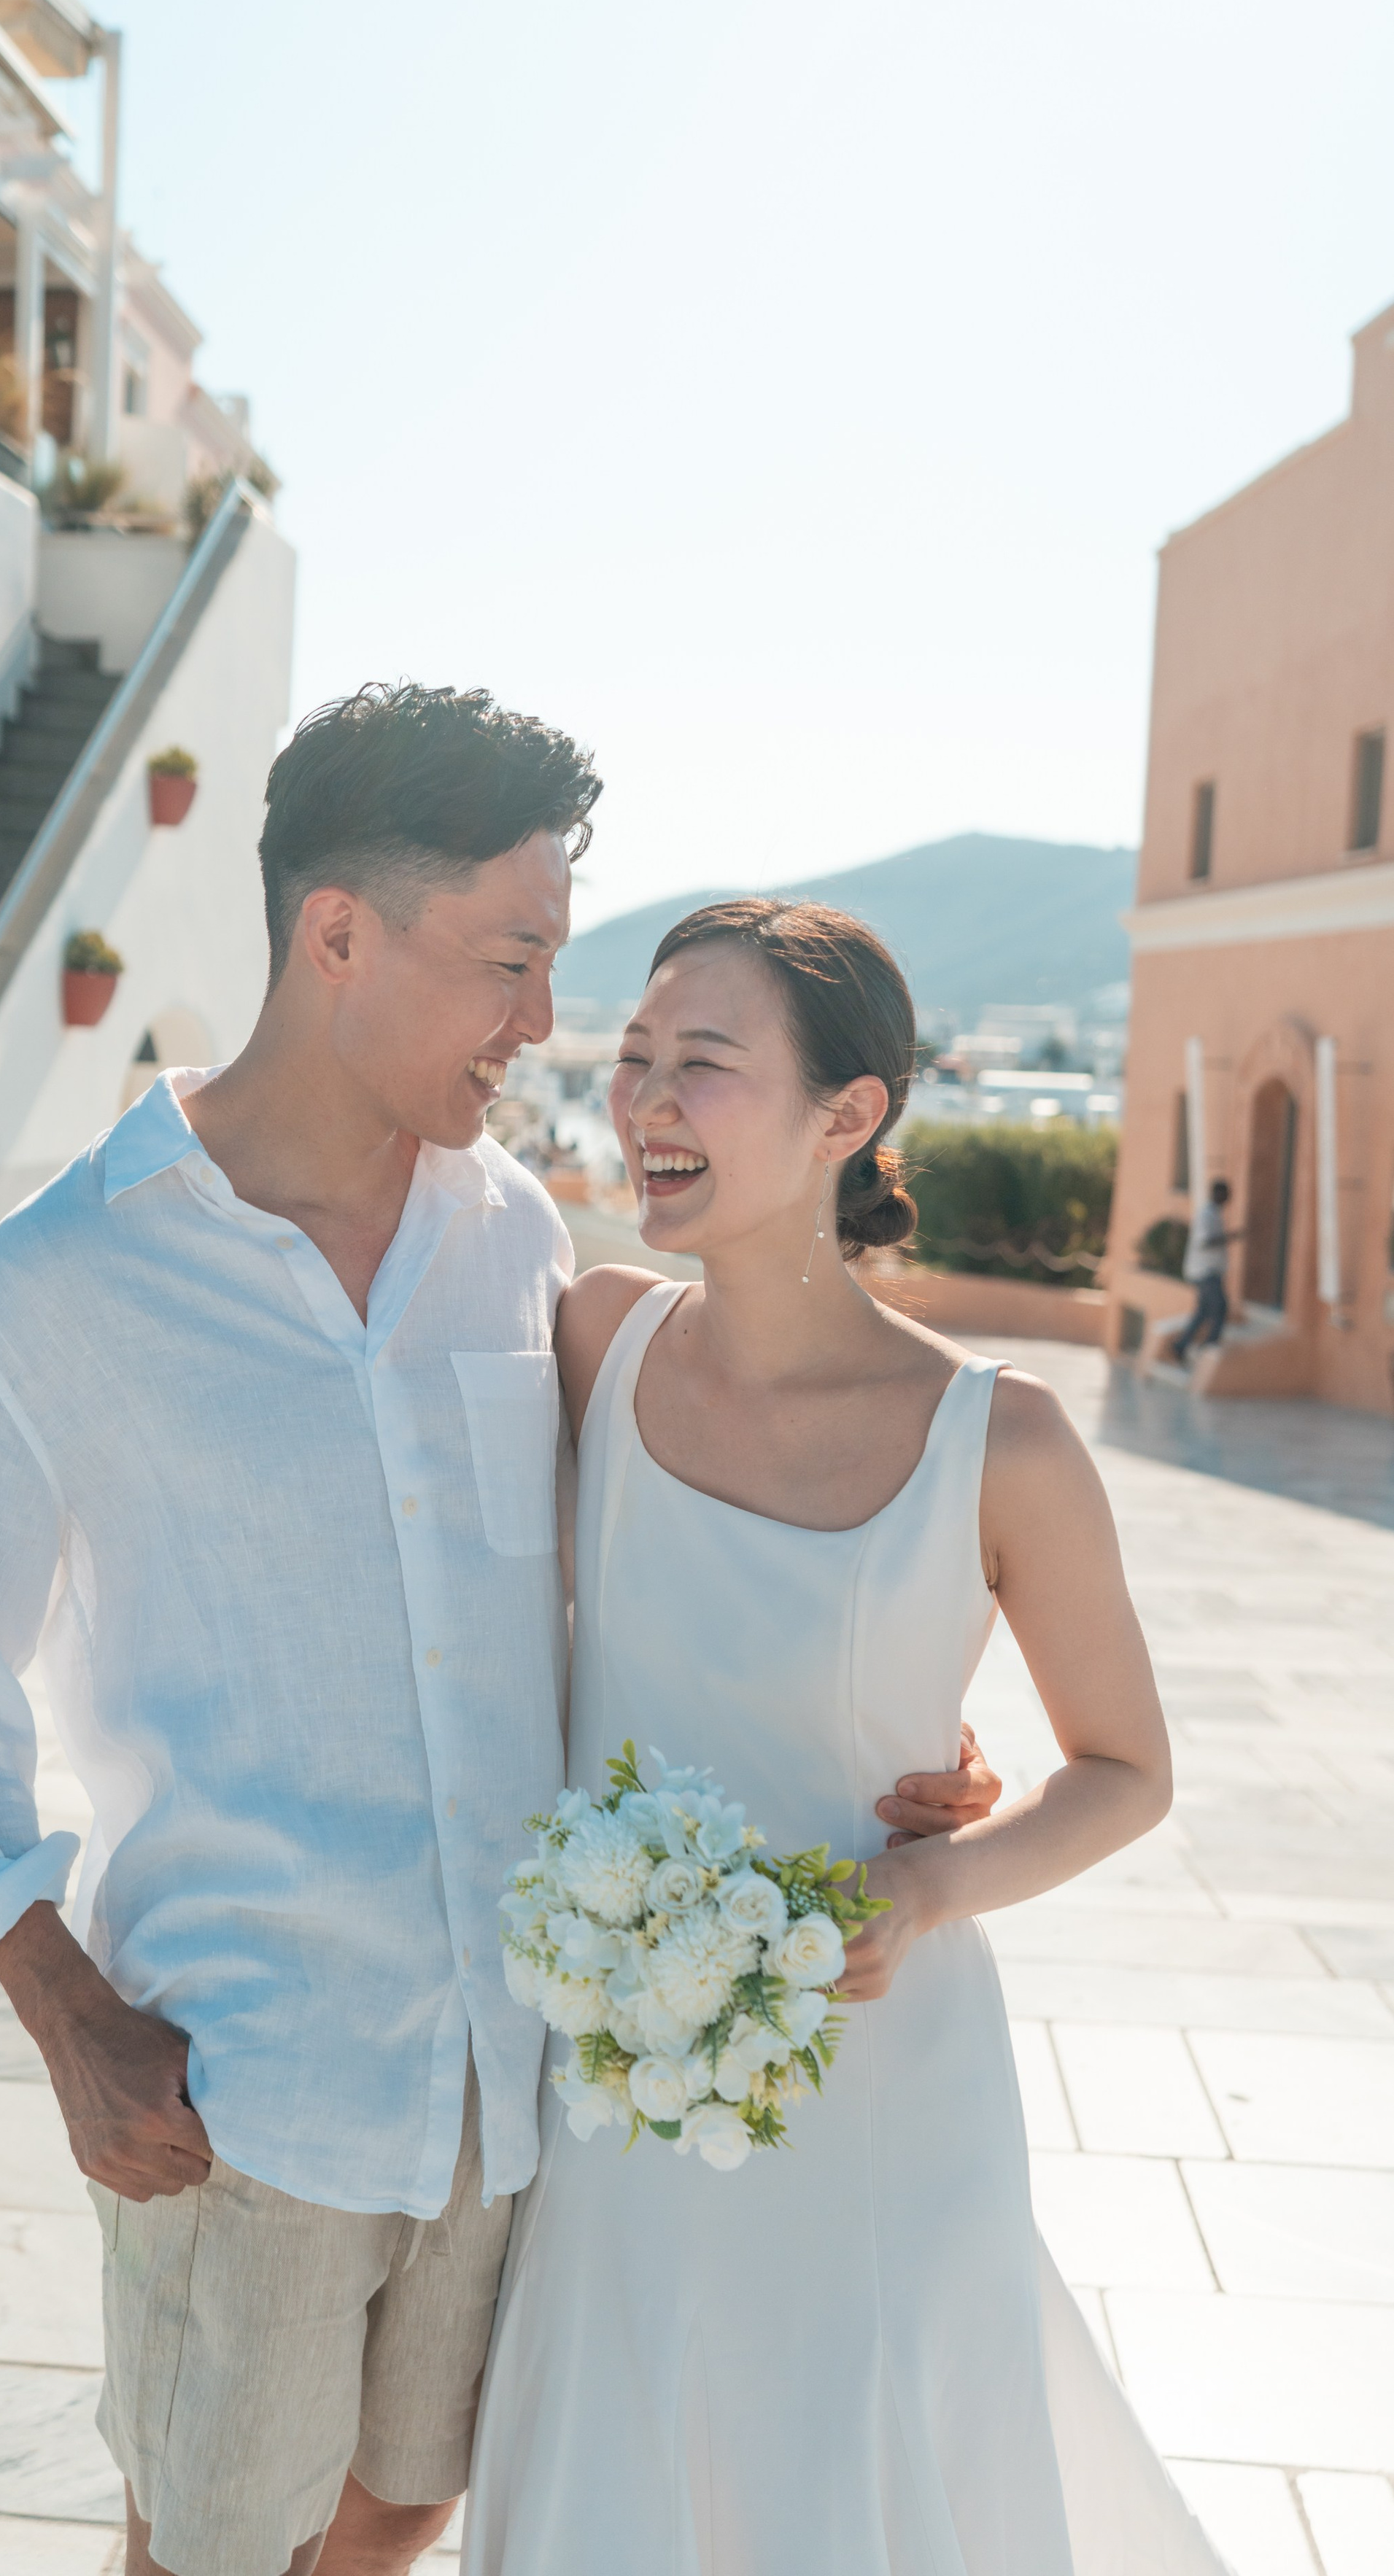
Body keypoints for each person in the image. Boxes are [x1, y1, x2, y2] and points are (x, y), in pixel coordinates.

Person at [0, 697, 1000, 2576]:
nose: (542, 1024)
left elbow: (608, 1561)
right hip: (247, 2082)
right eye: (511, 959)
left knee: (400, 2509)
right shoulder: (62, 1281)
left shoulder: (509, 1243)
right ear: (338, 936)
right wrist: (65, 2017)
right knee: (209, 2542)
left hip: (504, 2066)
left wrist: (857, 1727)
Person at [462, 899, 1231, 2576]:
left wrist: (933, 1880)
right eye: (636, 1058)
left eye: (705, 1066)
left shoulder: (998, 1440)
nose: (647, 1102)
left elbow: (1124, 1766)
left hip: (886, 2091)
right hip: (621, 2091)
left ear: (848, 1113)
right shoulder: (591, 1335)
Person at [1168, 1177, 1240, 1362]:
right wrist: (1230, 1237)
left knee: (1203, 1312)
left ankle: (1181, 1346)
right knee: (1220, 1306)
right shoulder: (1206, 1215)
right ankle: (1210, 1345)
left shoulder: (1214, 1213)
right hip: (1205, 1272)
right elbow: (1206, 1241)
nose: (1227, 1199)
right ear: (1218, 1194)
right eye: (1225, 1195)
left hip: (1211, 1271)